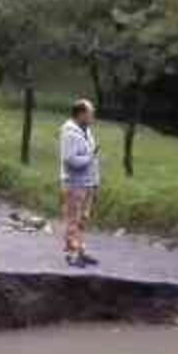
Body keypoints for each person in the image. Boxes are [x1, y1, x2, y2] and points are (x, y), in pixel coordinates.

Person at [60, 99, 101, 267]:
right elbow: (70, 160)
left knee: (83, 219)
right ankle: (71, 254)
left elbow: (92, 157)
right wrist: (90, 156)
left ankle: (80, 250)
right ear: (81, 114)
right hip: (74, 183)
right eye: (90, 114)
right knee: (73, 219)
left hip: (88, 182)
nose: (92, 117)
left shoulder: (87, 131)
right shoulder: (69, 133)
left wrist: (95, 182)